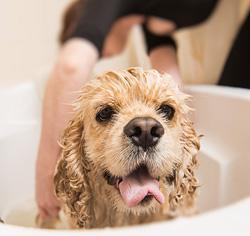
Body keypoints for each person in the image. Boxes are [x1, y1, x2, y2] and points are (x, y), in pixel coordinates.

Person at [36, 0, 238, 220]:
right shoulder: (152, 20)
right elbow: (171, 81)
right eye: (105, 113)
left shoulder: (101, 3)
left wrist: (46, 177)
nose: (99, 54)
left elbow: (70, 66)